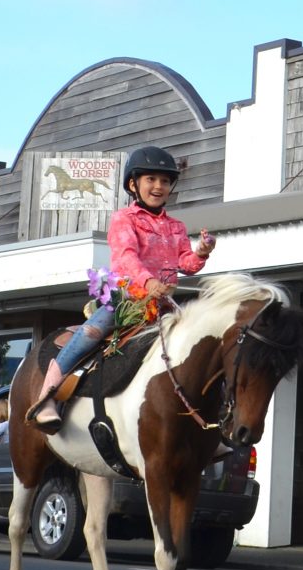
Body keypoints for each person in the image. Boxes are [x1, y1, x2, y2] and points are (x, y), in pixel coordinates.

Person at [29, 145, 216, 431]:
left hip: (164, 307)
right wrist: (149, 281)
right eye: (151, 179)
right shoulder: (123, 219)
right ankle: (47, 398)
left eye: (165, 181)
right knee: (89, 334)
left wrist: (201, 251)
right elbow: (126, 257)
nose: (159, 186)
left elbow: (186, 264)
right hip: (126, 301)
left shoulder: (176, 227)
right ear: (133, 184)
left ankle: (198, 421)